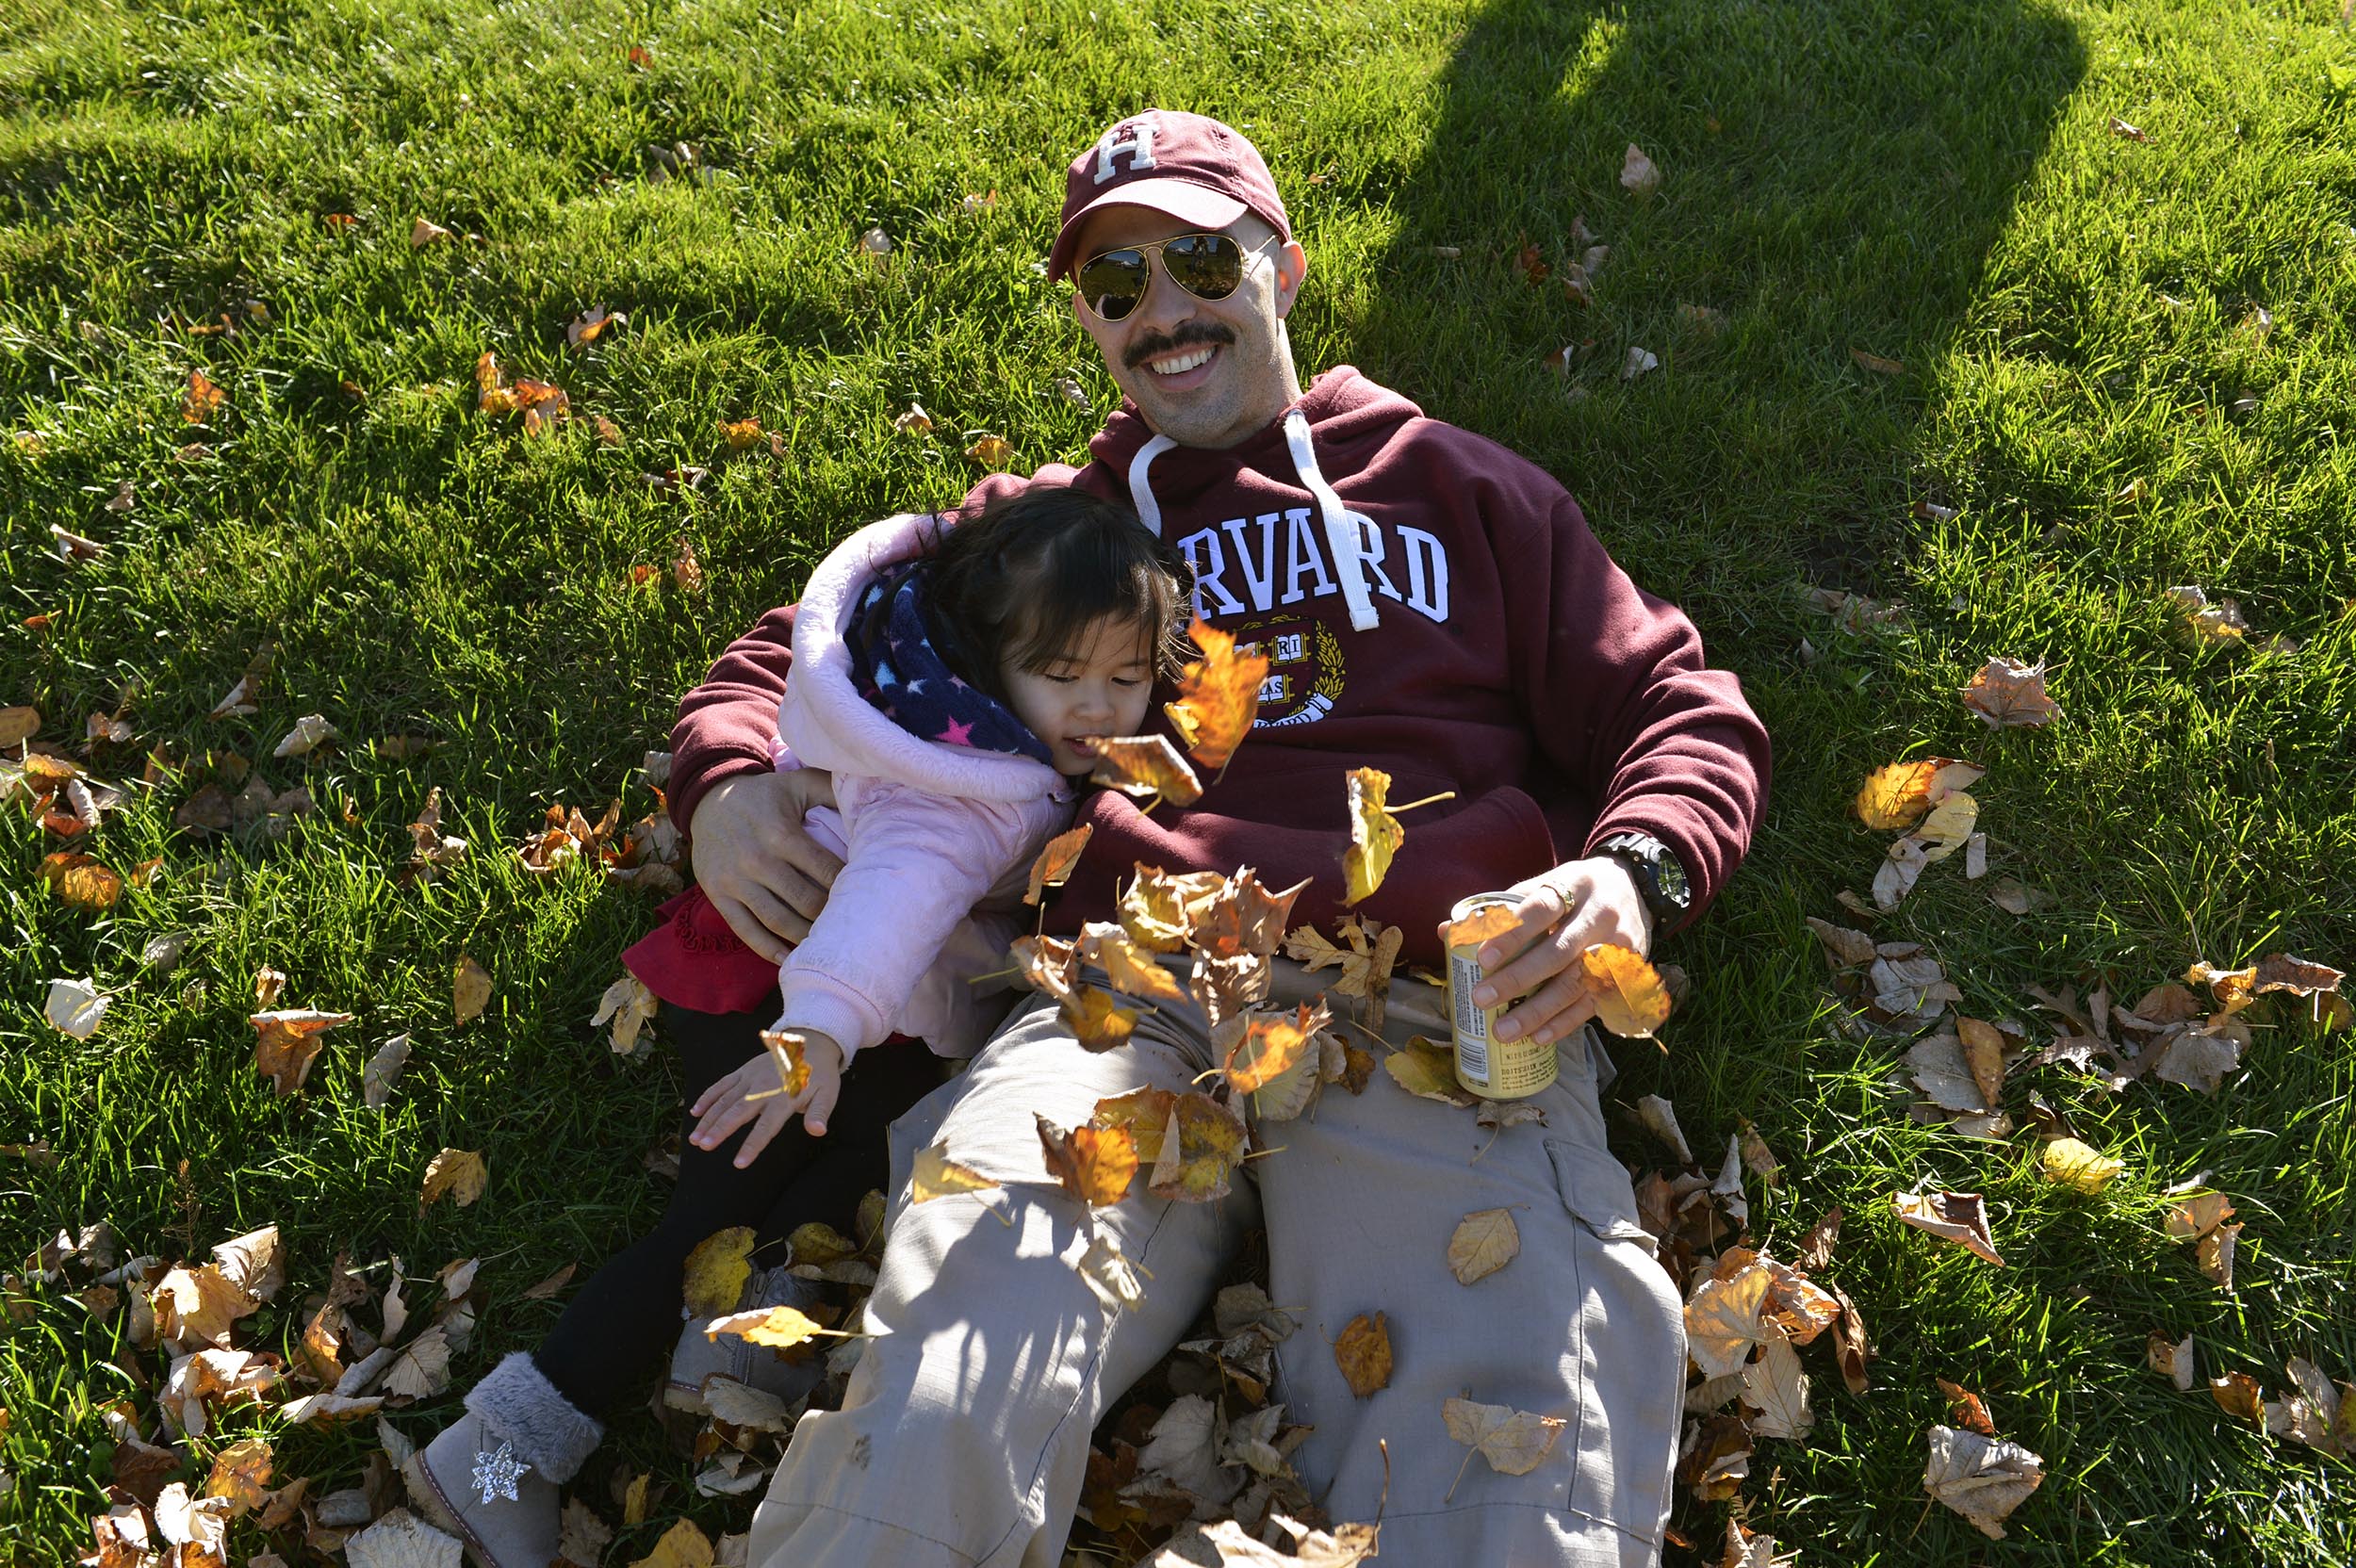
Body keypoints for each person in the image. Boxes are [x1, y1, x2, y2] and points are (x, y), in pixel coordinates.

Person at [676, 110, 1771, 1567]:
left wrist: (1633, 872)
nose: (1163, 312)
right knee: (942, 1391)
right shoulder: (1056, 529)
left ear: (1284, 268)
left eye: (1199, 260)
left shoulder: (1458, 483)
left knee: (1507, 1463)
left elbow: (1675, 700)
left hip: (1423, 999)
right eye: (1116, 286)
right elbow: (808, 644)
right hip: (1129, 995)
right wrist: (729, 784)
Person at [401, 486, 1195, 1567]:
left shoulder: (913, 682)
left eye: (1127, 676)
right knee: (718, 1197)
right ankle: (497, 1455)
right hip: (788, 982)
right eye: (1061, 679)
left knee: (873, 1140)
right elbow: (888, 910)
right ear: (990, 662)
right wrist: (813, 1034)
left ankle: (730, 1339)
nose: (1100, 708)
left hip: (829, 987)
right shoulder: (972, 794)